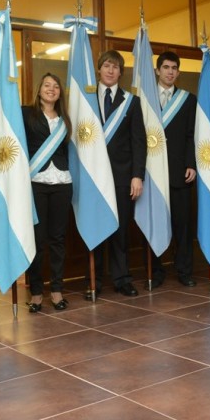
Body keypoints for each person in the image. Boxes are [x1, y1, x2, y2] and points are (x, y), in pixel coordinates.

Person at [88, 50, 146, 298]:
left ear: (121, 72)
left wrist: (137, 175)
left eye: (115, 67)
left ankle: (122, 278)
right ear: (99, 69)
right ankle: (95, 280)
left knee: (120, 230)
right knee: (96, 227)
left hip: (123, 176)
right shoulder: (86, 100)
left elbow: (138, 142)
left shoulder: (130, 102)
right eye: (107, 66)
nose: (111, 71)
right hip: (93, 177)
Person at [23, 73, 73, 312]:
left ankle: (56, 290)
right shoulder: (25, 114)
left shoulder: (65, 118)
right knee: (37, 239)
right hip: (36, 183)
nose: (51, 89)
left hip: (62, 182)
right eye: (47, 85)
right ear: (39, 89)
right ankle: (35, 292)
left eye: (56, 86)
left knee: (57, 239)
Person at [150, 51, 198, 288]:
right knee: (154, 223)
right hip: (153, 174)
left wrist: (191, 163)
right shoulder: (144, 98)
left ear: (178, 72)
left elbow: (192, 135)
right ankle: (155, 272)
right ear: (157, 70)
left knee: (183, 226)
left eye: (174, 68)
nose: (170, 72)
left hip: (180, 172)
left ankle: (184, 271)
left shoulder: (188, 100)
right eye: (166, 67)